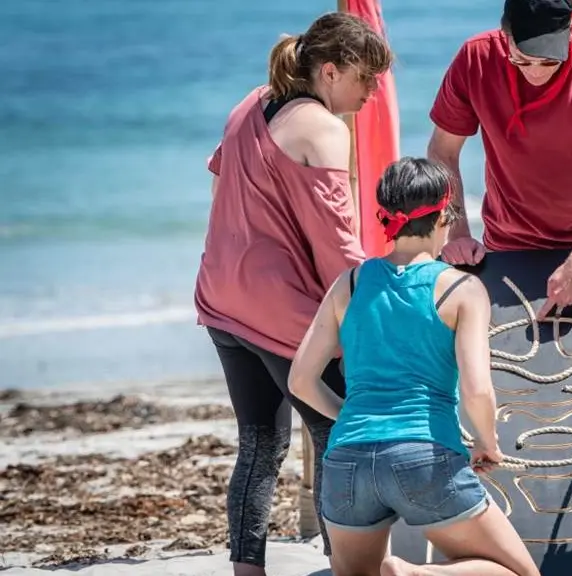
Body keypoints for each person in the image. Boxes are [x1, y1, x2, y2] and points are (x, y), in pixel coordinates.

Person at [193, 12, 393, 575]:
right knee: (337, 435)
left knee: (259, 443)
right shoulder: (326, 129)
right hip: (284, 319)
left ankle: (247, 569)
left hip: (222, 300)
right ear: (331, 71)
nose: (373, 92)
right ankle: (346, 566)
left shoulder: (251, 102)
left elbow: (217, 184)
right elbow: (338, 248)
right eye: (366, 79)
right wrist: (384, 312)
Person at [288, 157, 541, 576]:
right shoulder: (461, 288)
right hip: (423, 455)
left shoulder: (349, 283)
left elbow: (301, 379)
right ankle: (417, 573)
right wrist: (488, 442)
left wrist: (350, 418)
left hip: (346, 459)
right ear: (444, 216)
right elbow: (478, 390)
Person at [427, 0, 572, 317]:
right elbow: (442, 152)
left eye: (548, 61)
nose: (536, 73)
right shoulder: (475, 58)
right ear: (505, 34)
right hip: (509, 245)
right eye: (522, 61)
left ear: (570, 31)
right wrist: (457, 232)